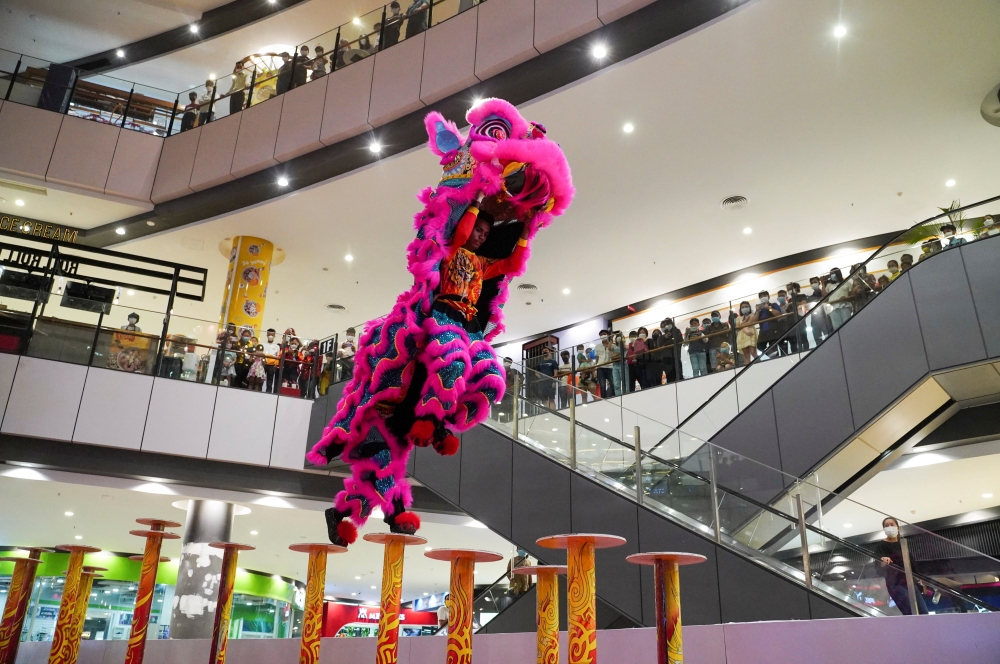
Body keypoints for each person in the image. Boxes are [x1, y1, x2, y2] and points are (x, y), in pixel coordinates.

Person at [873, 517, 927, 616]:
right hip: (895, 584)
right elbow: (877, 566)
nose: (889, 527)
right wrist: (882, 561)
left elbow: (911, 562)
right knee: (910, 611)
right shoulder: (880, 546)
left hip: (910, 582)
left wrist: (919, 578)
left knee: (923, 612)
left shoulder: (903, 543)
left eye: (892, 525)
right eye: (886, 526)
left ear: (898, 528)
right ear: (884, 529)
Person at [754, 291, 784, 358]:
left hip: (773, 329)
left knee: (773, 345)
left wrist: (769, 308)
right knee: (760, 345)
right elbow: (755, 321)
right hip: (763, 330)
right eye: (761, 297)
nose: (763, 297)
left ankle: (775, 357)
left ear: (769, 297)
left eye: (764, 296)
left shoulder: (773, 305)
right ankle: (771, 354)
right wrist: (758, 310)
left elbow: (778, 314)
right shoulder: (759, 308)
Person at [734, 301, 759, 366]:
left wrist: (741, 325)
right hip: (742, 336)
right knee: (746, 355)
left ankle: (760, 365)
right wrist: (745, 321)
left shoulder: (752, 314)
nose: (744, 308)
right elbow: (737, 327)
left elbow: (750, 322)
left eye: (746, 306)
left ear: (749, 307)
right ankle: (748, 369)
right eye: (742, 307)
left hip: (751, 334)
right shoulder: (738, 318)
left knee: (753, 352)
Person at [659, 318, 684, 383]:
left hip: (676, 357)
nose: (664, 328)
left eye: (665, 325)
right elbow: (659, 345)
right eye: (662, 327)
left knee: (679, 376)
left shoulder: (676, 332)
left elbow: (677, 340)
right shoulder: (661, 337)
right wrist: (665, 337)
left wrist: (665, 344)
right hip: (667, 360)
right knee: (670, 378)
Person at [594, 330, 616, 398]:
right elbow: (597, 358)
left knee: (613, 384)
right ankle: (604, 400)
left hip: (610, 367)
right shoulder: (597, 346)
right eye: (601, 335)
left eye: (604, 334)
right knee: (602, 386)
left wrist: (611, 339)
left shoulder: (612, 345)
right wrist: (596, 368)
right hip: (600, 368)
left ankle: (614, 398)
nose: (602, 335)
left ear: (608, 335)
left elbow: (614, 355)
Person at [498, 357, 520, 421]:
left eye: (508, 361)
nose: (506, 362)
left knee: (511, 406)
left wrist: (516, 385)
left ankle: (511, 420)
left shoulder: (513, 371)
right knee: (501, 407)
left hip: (510, 392)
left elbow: (521, 377)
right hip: (501, 391)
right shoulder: (500, 371)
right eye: (505, 361)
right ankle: (501, 421)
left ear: (511, 363)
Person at [262, 328, 281, 393]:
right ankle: (259, 391)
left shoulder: (277, 346)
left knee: (270, 381)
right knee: (261, 379)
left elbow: (278, 356)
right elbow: (261, 354)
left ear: (274, 336)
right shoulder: (263, 344)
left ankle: (268, 392)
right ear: (267, 335)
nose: (270, 336)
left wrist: (276, 365)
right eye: (269, 335)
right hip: (263, 364)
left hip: (272, 366)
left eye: (272, 335)